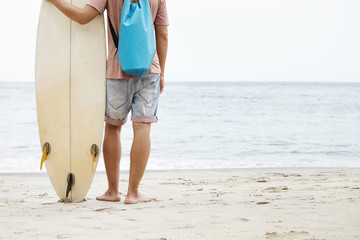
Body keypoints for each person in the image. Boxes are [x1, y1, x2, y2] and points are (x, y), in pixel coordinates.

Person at [47, 0, 169, 204]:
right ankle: (133, 193)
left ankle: (113, 191)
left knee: (113, 128)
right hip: (150, 70)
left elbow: (82, 17)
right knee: (142, 127)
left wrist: (54, 1)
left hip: (116, 70)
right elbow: (162, 34)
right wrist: (162, 72)